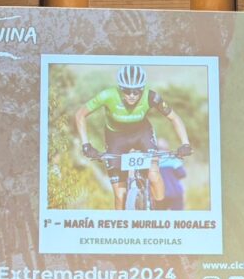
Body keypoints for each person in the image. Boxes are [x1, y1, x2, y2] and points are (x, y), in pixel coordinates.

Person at [75, 65, 193, 210]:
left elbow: (174, 118)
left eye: (136, 91)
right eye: (126, 90)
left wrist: (185, 143)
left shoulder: (151, 97)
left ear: (142, 89)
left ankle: (160, 214)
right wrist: (85, 144)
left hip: (142, 135)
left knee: (154, 177)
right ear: (119, 88)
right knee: (119, 195)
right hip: (116, 138)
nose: (131, 95)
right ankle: (122, 228)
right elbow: (80, 114)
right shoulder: (107, 95)